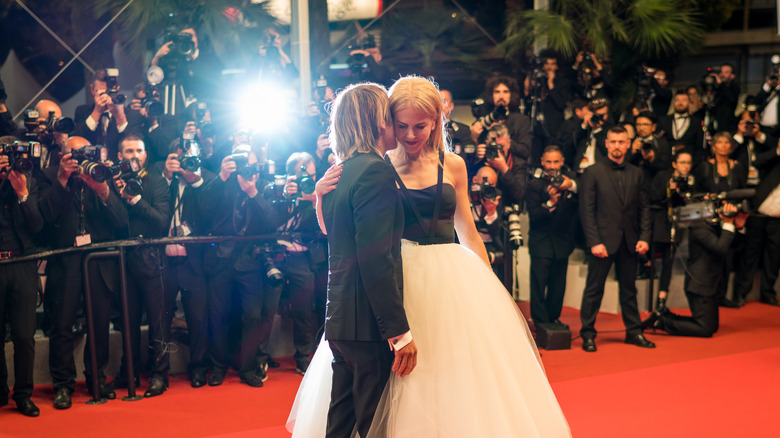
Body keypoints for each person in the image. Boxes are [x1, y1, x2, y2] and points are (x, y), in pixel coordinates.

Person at [288, 77, 571, 437]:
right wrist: (318, 197)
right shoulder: (378, 166)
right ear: (387, 122)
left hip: (452, 281)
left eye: (419, 126)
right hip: (398, 279)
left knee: (455, 379)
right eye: (401, 125)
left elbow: (467, 230)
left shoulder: (453, 165)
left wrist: (491, 297)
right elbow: (344, 234)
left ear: (437, 121)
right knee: (395, 381)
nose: (409, 135)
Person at [579, 125, 655, 352]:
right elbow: (587, 211)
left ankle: (634, 332)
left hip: (630, 241)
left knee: (629, 290)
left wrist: (644, 237)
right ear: (606, 143)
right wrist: (594, 241)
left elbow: (644, 209)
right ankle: (588, 334)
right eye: (613, 142)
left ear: (629, 143)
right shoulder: (593, 172)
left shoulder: (637, 173)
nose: (617, 146)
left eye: (621, 142)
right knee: (594, 289)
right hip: (602, 241)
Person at [641, 203, 740, 337]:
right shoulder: (699, 227)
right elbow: (721, 247)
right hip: (699, 284)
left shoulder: (712, 226)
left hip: (708, 283)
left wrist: (738, 225)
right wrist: (728, 222)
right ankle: (661, 323)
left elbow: (730, 243)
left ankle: (665, 317)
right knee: (706, 329)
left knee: (711, 326)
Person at [0, 140, 43, 417]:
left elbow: (38, 226)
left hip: (22, 263)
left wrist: (23, 193)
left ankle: (24, 394)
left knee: (25, 336)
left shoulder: (29, 181)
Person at [526, 146, 578, 329]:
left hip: (563, 242)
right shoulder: (534, 184)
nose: (552, 166)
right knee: (538, 285)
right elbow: (533, 215)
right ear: (542, 161)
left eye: (556, 162)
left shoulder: (570, 181)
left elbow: (582, 195)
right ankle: (540, 322)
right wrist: (550, 203)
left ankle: (553, 319)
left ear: (562, 162)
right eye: (548, 161)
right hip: (540, 242)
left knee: (558, 286)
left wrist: (570, 185)